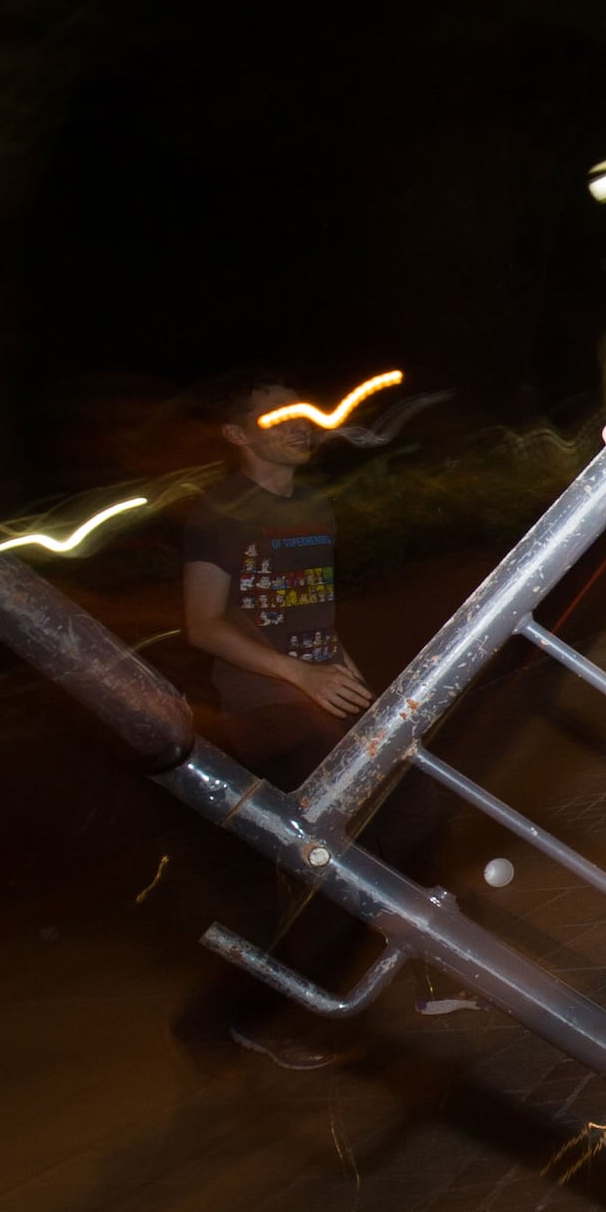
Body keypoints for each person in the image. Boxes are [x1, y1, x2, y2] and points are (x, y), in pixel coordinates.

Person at [171, 373, 382, 1069]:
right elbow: (202, 626)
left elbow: (313, 614)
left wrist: (352, 684)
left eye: (300, 412)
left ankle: (257, 1007)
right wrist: (300, 676)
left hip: (322, 697)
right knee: (341, 856)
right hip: (268, 710)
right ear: (236, 436)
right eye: (276, 417)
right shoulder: (219, 513)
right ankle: (265, 1013)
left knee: (361, 846)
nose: (300, 424)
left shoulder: (316, 507)